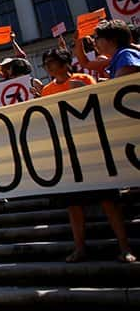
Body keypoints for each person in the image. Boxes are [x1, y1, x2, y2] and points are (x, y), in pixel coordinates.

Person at [37, 48, 136, 263]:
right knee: (73, 206)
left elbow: (99, 105)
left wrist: (82, 89)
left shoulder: (84, 78)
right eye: (46, 63)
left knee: (109, 201)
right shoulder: (47, 90)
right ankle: (80, 248)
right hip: (68, 153)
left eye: (51, 61)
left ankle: (125, 247)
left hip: (92, 149)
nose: (48, 67)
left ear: (63, 62)